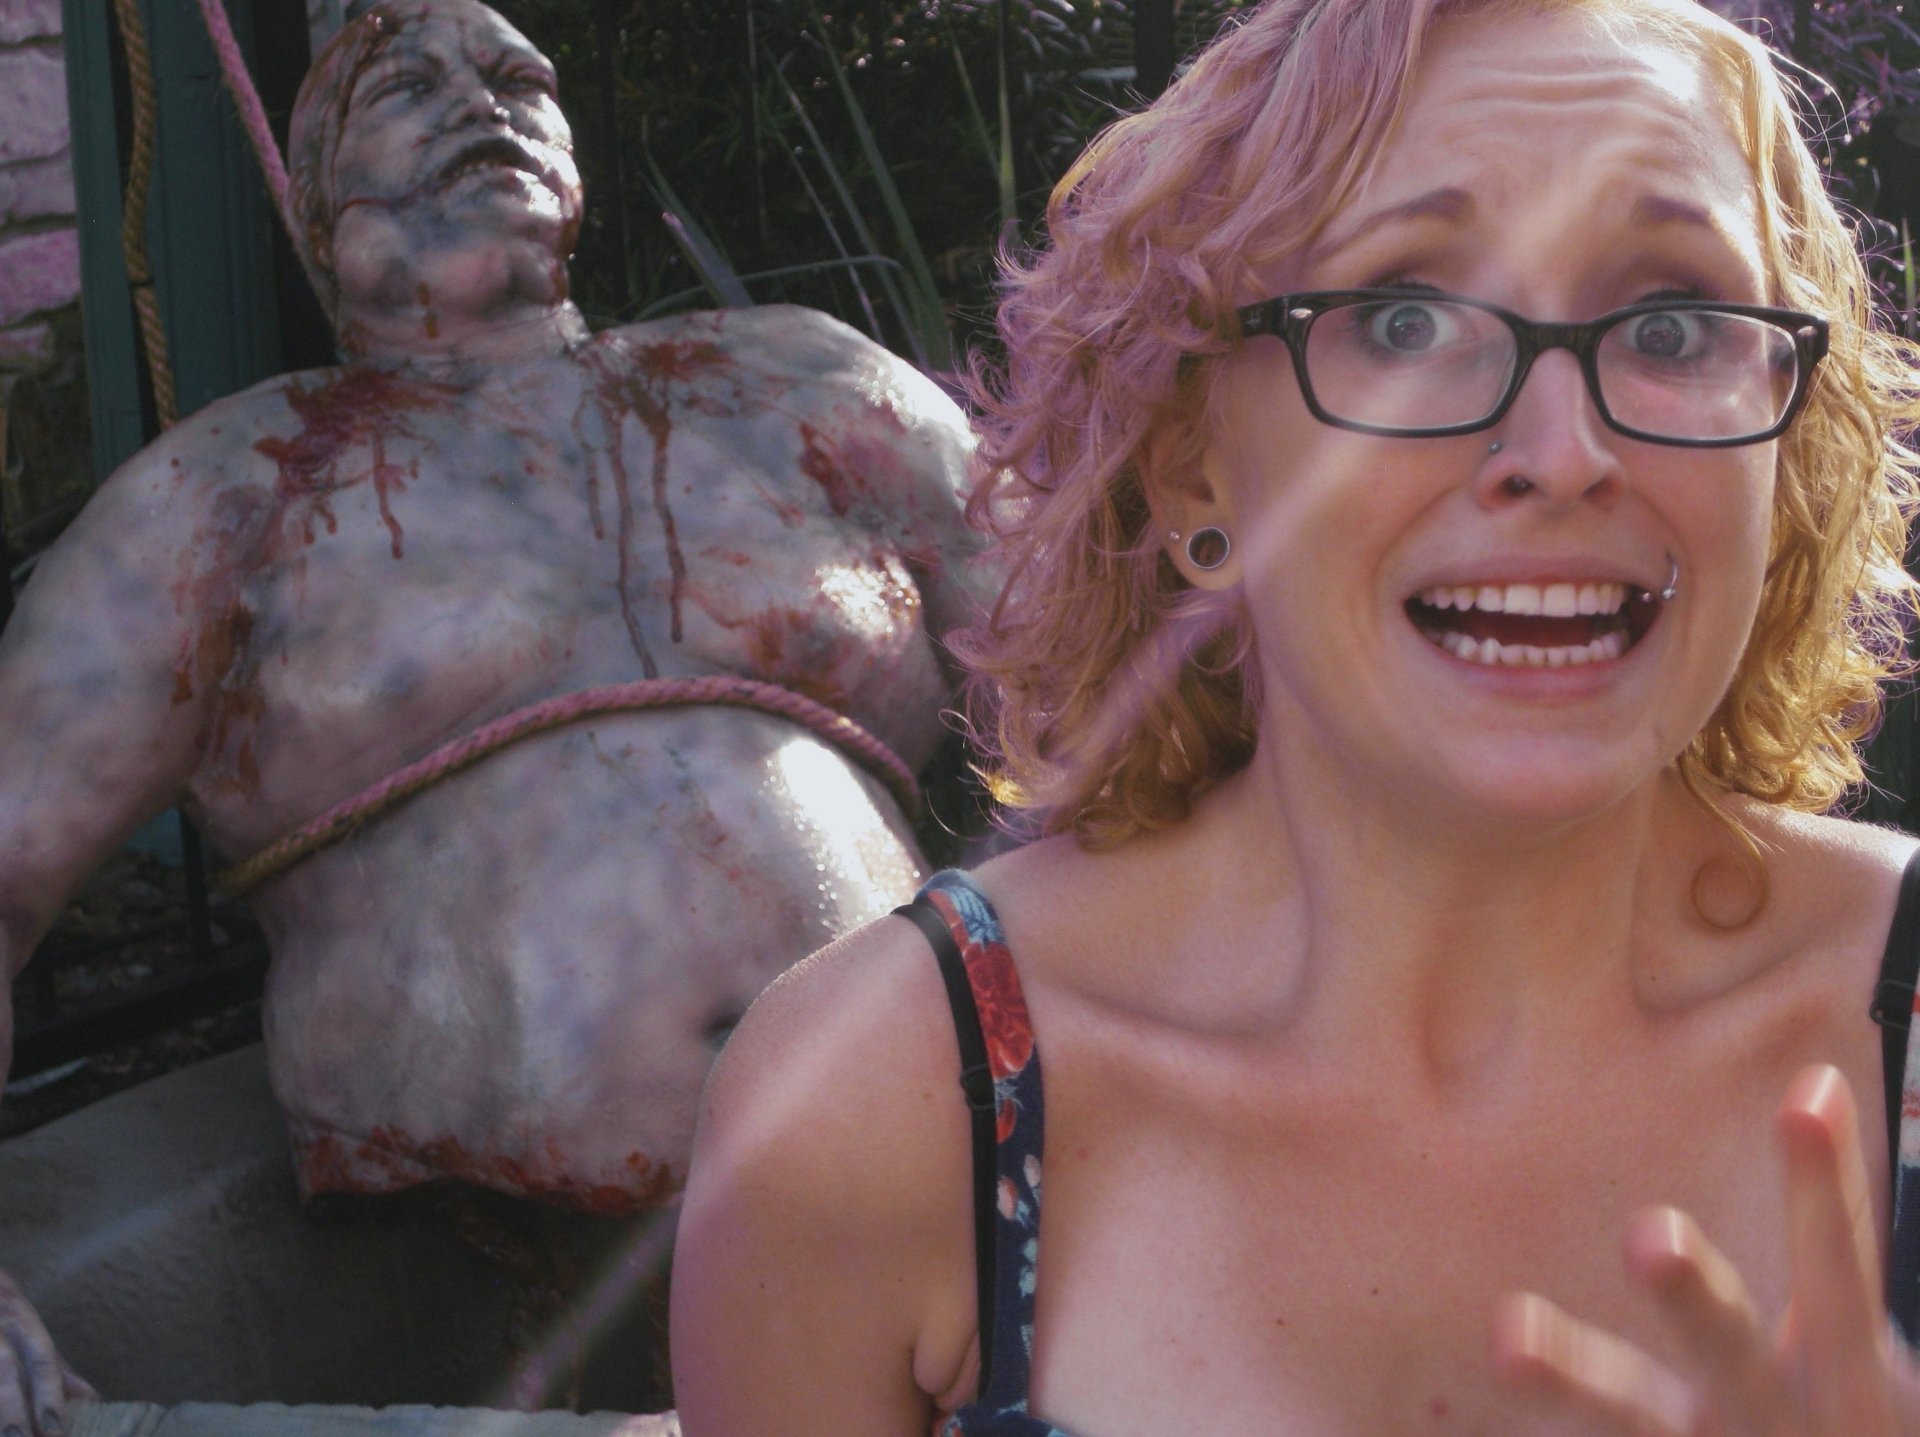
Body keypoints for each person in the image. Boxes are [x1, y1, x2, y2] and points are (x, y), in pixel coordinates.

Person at [668, 0, 1920, 1431]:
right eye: (1404, 318)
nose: (1563, 451)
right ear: (1192, 464)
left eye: (1675, 326)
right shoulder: (873, 1112)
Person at [0, 0, 994, 1426]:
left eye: (520, 77)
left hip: (950, 1158)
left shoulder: (803, 383)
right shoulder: (225, 494)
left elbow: (1114, 699)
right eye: (409, 84)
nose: (485, 102)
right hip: (505, 1260)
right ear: (318, 194)